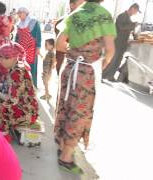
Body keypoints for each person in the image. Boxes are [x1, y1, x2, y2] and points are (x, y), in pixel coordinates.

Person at [55, 0, 116, 174]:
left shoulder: (75, 13)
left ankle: (61, 144)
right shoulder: (103, 15)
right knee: (80, 112)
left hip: (69, 67)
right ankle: (66, 157)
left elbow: (60, 44)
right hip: (87, 72)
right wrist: (99, 66)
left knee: (65, 106)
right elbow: (110, 51)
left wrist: (75, 53)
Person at [0, 42, 39, 140]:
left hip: (27, 112)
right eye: (0, 57)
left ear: (14, 58)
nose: (1, 60)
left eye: (4, 58)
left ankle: (4, 139)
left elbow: (12, 99)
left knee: (0, 109)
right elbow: (12, 86)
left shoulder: (17, 72)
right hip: (27, 106)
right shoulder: (16, 67)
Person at [102, 3, 140, 81]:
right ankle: (102, 75)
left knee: (117, 60)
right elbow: (121, 27)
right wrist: (133, 25)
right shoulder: (122, 16)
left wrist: (134, 32)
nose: (135, 13)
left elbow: (128, 28)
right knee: (112, 60)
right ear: (132, 8)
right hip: (117, 42)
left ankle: (110, 76)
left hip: (122, 43)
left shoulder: (128, 18)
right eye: (136, 11)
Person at [55, 0, 85, 75]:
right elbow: (59, 45)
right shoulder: (63, 21)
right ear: (72, 5)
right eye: (81, 4)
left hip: (79, 63)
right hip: (65, 61)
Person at [15, 7, 41, 87]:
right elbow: (17, 36)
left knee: (31, 67)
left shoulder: (34, 22)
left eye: (20, 13)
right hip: (21, 50)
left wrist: (38, 47)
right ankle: (23, 85)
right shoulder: (19, 24)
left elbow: (38, 35)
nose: (18, 15)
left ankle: (32, 86)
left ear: (25, 13)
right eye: (18, 13)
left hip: (31, 49)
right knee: (22, 67)